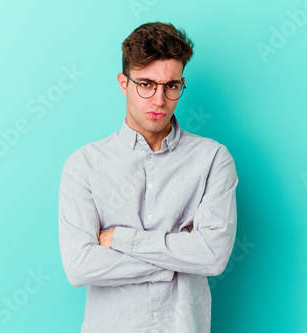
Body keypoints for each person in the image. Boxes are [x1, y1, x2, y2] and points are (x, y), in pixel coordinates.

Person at [58, 21, 238, 333]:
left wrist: (120, 240)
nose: (158, 100)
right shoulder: (83, 164)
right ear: (123, 82)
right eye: (146, 84)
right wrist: (178, 259)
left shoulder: (212, 159)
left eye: (171, 86)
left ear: (181, 84)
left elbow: (212, 256)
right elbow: (79, 267)